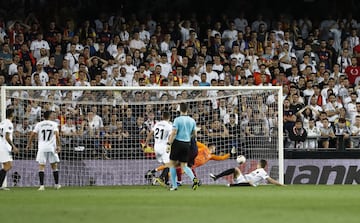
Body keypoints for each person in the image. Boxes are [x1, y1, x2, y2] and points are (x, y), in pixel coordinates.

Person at [167, 102, 199, 191]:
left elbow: (174, 132)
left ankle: (174, 186)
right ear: (187, 110)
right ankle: (194, 179)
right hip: (187, 144)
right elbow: (195, 134)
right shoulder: (192, 120)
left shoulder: (177, 120)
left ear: (179, 110)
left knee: (172, 164)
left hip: (177, 143)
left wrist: (169, 143)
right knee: (184, 165)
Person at [26, 111, 61, 190]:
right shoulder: (54, 124)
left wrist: (29, 144)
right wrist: (59, 145)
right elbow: (57, 135)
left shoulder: (39, 124)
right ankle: (56, 184)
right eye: (53, 114)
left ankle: (41, 186)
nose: (54, 115)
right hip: (52, 147)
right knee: (54, 166)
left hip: (42, 147)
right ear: (49, 116)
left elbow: (32, 134)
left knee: (41, 166)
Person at [143, 111, 173, 186]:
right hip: (164, 147)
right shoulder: (169, 125)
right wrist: (169, 144)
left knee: (165, 164)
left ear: (162, 117)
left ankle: (166, 181)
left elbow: (150, 134)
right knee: (169, 164)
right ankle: (160, 178)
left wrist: (146, 144)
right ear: (169, 117)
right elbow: (171, 136)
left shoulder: (157, 124)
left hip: (156, 147)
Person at [209, 159, 285, 187]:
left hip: (248, 183)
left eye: (258, 163)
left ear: (259, 164)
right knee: (235, 169)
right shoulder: (257, 170)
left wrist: (280, 184)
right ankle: (216, 177)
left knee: (249, 182)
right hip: (243, 179)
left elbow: (270, 180)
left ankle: (233, 185)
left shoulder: (262, 171)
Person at [0, 109, 19, 190]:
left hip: (2, 145)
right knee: (8, 166)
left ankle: (0, 185)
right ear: (12, 114)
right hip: (4, 147)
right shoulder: (9, 123)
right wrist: (13, 146)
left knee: (6, 165)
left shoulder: (2, 122)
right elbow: (7, 137)